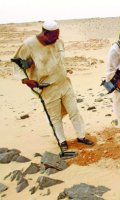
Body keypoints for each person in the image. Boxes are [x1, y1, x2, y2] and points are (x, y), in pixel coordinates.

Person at [13, 20, 93, 150]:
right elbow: (16, 64)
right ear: (45, 33)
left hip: (64, 83)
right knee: (55, 117)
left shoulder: (58, 42)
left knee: (74, 111)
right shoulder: (29, 45)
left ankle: (81, 136)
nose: (57, 39)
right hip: (48, 88)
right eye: (54, 36)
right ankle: (62, 141)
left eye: (58, 35)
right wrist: (25, 80)